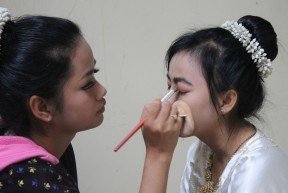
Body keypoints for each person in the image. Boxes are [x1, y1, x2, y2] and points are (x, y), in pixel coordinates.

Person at [139, 15, 288, 193]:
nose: (168, 102)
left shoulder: (259, 167)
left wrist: (158, 154)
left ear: (225, 101)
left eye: (182, 90)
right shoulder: (200, 153)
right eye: (169, 87)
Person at [0, 7, 106, 192]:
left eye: (94, 73)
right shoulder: (35, 179)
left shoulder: (53, 148)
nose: (102, 91)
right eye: (87, 84)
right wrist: (158, 155)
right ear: (42, 107)